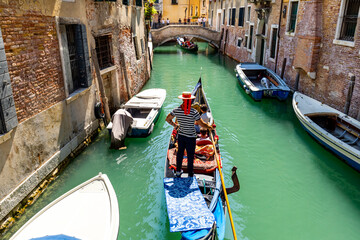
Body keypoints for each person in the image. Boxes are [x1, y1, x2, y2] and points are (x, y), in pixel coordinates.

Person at [166, 92, 213, 177]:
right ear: (190, 101)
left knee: (180, 154)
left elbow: (168, 119)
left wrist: (176, 126)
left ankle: (178, 172)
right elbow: (201, 124)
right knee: (190, 156)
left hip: (181, 136)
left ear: (183, 100)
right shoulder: (194, 112)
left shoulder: (176, 110)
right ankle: (191, 174)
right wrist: (210, 127)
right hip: (191, 137)